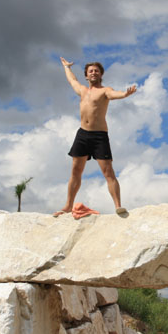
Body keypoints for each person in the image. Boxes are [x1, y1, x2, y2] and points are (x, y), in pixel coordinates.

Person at [53, 57, 137, 217]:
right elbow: (72, 80)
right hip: (82, 135)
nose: (93, 73)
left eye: (96, 71)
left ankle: (118, 206)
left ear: (100, 75)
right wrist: (66, 67)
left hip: (99, 136)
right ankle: (68, 205)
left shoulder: (104, 91)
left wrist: (125, 94)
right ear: (86, 75)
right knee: (76, 171)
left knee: (108, 172)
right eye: (91, 71)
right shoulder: (83, 90)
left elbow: (113, 94)